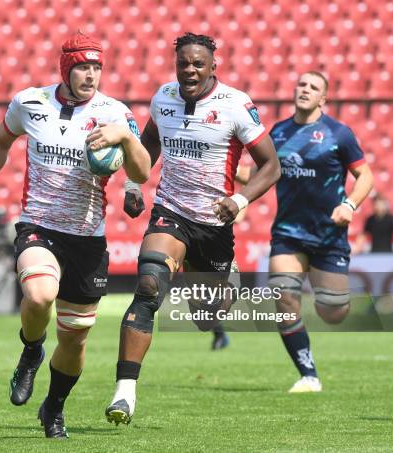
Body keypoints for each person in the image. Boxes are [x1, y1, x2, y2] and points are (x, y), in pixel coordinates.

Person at [0, 32, 151, 438]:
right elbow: (0, 141)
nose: (91, 75)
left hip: (87, 238)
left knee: (74, 340)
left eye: (97, 67)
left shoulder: (116, 113)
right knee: (39, 294)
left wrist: (124, 137)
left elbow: (141, 172)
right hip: (39, 225)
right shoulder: (29, 102)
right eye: (83, 67)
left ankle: (53, 406)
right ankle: (31, 349)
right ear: (66, 69)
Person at [106, 32, 280, 425]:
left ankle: (225, 283)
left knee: (206, 316)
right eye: (183, 63)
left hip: (216, 223)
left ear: (213, 66)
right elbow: (147, 142)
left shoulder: (236, 105)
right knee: (149, 286)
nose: (190, 70)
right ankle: (124, 394)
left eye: (198, 63)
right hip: (171, 211)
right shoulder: (163, 98)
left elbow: (271, 165)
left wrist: (239, 201)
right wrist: (135, 184)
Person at [267, 71, 373, 392]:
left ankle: (328, 293)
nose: (305, 90)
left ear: (323, 98)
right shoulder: (279, 132)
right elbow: (262, 173)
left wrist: (350, 206)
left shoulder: (338, 134)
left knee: (333, 313)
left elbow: (365, 176)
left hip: (329, 235)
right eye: (301, 84)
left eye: (313, 87)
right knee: (284, 297)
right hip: (287, 232)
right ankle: (308, 375)